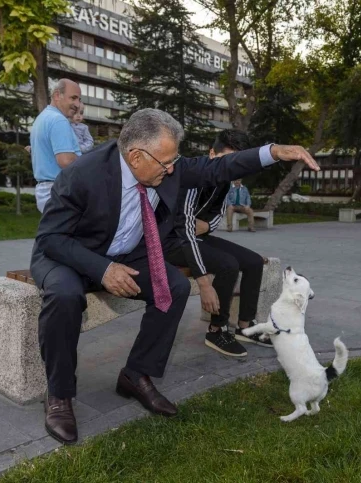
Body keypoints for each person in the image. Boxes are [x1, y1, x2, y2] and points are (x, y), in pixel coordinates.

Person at [30, 108, 320, 445]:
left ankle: (136, 374)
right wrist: (103, 269)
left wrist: (273, 152)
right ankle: (60, 396)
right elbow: (50, 238)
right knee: (64, 296)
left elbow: (218, 167)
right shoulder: (82, 174)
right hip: (69, 253)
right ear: (135, 156)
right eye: (165, 163)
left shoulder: (163, 166)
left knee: (174, 286)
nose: (171, 170)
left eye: (174, 161)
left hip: (125, 253)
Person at [165, 129, 270, 358]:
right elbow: (184, 231)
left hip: (195, 236)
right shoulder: (192, 175)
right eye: (229, 160)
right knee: (227, 264)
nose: (232, 168)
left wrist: (203, 225)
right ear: (212, 153)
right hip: (170, 242)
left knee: (253, 262)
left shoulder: (225, 180)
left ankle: (245, 326)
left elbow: (215, 217)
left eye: (237, 163)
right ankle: (217, 329)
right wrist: (203, 283)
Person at [30, 79, 82, 212]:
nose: (77, 104)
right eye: (73, 98)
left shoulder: (42, 118)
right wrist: (91, 163)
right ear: (57, 95)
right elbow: (66, 161)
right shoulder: (58, 120)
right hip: (60, 191)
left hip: (46, 192)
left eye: (79, 99)